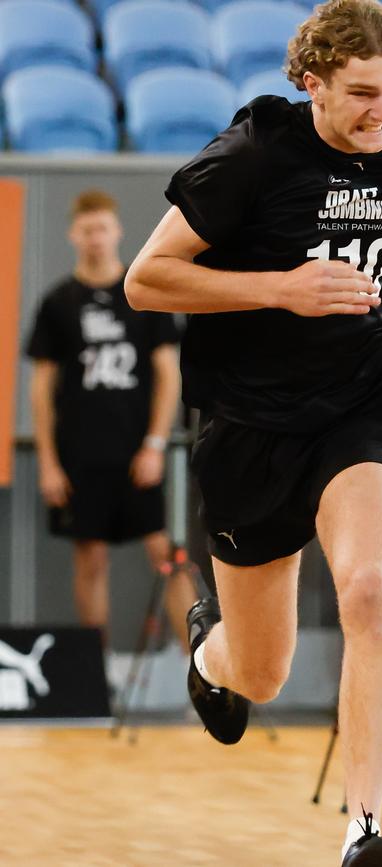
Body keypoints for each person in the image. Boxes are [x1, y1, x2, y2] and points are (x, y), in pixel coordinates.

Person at [125, 2, 382, 863]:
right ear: (311, 83)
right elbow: (147, 280)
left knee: (368, 587)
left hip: (361, 410)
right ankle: (211, 656)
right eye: (362, 93)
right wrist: (278, 287)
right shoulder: (253, 156)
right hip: (250, 429)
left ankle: (363, 830)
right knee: (262, 672)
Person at [27, 189, 197, 658]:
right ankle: (93, 672)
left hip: (137, 450)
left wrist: (155, 444)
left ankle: (201, 668)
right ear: (73, 235)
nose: (96, 238)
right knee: (90, 556)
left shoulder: (141, 295)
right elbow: (41, 389)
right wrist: (48, 463)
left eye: (103, 228)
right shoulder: (58, 303)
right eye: (87, 230)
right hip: (79, 452)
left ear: (117, 231)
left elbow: (168, 374)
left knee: (166, 555)